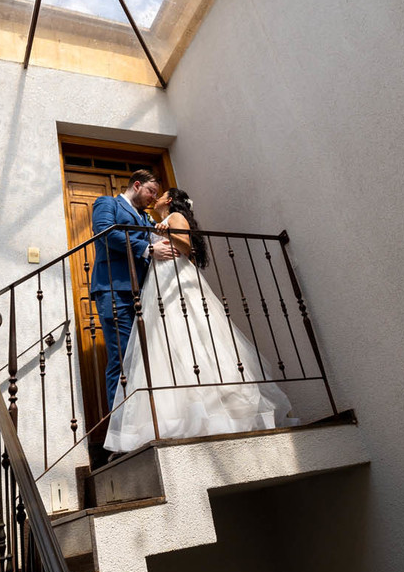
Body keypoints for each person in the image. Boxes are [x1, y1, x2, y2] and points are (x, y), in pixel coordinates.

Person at [103, 188, 294, 454]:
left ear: (169, 201)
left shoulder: (175, 217)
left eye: (161, 194)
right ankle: (177, 414)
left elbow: (186, 247)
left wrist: (165, 231)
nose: (156, 198)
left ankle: (212, 410)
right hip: (158, 281)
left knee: (191, 333)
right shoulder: (158, 220)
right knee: (167, 343)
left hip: (175, 280)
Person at [89, 170, 180, 416]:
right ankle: (119, 433)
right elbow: (106, 232)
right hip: (114, 288)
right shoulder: (107, 203)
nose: (153, 198)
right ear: (137, 185)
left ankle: (142, 421)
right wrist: (148, 249)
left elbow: (156, 235)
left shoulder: (145, 217)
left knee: (141, 358)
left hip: (143, 292)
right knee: (121, 360)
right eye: (151, 191)